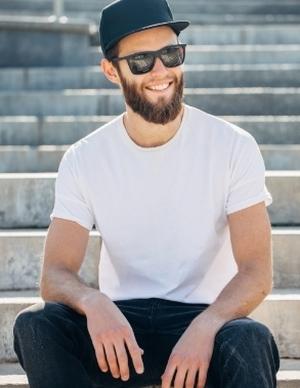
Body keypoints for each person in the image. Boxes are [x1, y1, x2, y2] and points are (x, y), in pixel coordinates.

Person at [13, 0, 280, 387]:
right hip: (120, 331)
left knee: (250, 339)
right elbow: (55, 274)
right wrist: (93, 302)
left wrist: (207, 325)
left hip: (205, 323)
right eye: (141, 61)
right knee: (36, 325)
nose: (161, 71)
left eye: (171, 54)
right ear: (111, 70)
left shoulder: (233, 146)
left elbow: (257, 272)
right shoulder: (85, 158)